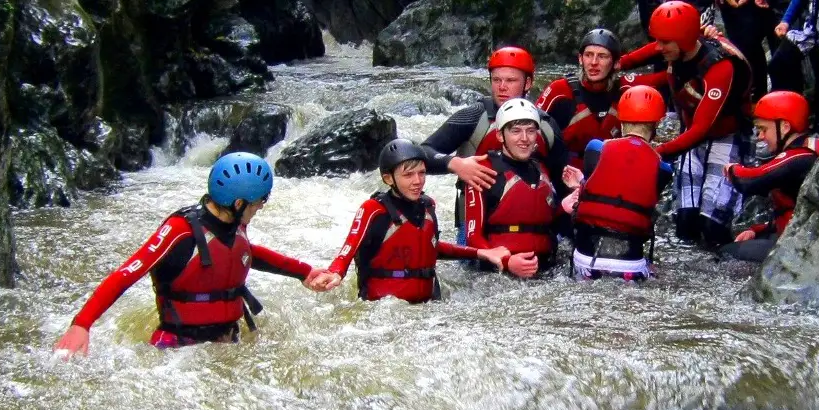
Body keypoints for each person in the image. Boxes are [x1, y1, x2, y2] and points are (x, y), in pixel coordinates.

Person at [53, 153, 334, 356]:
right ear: (238, 203)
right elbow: (127, 274)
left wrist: (304, 272)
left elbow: (247, 254)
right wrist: (81, 324)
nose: (261, 206)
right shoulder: (179, 231)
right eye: (259, 202)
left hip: (228, 342)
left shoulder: (236, 225)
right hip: (177, 352)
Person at [618, 1, 755, 248]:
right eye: (657, 40)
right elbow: (654, 52)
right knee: (685, 223)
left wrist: (657, 152)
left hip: (726, 136)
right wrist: (621, 63)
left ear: (683, 40)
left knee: (712, 227)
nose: (659, 48)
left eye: (664, 42)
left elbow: (701, 129)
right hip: (690, 135)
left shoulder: (720, 67)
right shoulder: (682, 46)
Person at [314, 140, 510, 302]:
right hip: (383, 313)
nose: (417, 181)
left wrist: (482, 253)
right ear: (388, 178)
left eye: (422, 173)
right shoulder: (373, 210)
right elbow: (348, 249)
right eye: (408, 175)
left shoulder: (428, 206)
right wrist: (335, 272)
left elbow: (431, 248)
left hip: (428, 310)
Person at [419, 47, 570, 241]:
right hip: (476, 224)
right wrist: (455, 164)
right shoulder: (473, 117)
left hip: (533, 224)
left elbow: (561, 181)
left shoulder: (546, 125)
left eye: (511, 80)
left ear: (528, 83)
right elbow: (421, 153)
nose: (502, 87)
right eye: (496, 80)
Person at [558, 86, 671, 281]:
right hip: (629, 264)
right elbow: (633, 194)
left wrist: (581, 183)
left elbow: (603, 190)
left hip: (586, 259)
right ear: (657, 124)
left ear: (620, 118)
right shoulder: (664, 168)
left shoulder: (596, 148)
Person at [720, 91, 819, 262]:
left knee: (725, 253)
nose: (760, 137)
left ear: (785, 126)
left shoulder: (800, 157)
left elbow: (750, 181)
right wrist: (757, 230)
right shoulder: (805, 149)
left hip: (800, 248)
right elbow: (792, 212)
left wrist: (732, 169)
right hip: (796, 238)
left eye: (763, 129)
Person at [461, 99, 560, 278]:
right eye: (515, 131)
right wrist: (506, 262)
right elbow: (472, 236)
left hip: (546, 270)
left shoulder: (541, 168)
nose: (524, 138)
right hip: (498, 275)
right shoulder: (483, 170)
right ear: (500, 136)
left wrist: (566, 207)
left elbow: (547, 221)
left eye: (530, 131)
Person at [537, 29, 633, 170]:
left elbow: (663, 74)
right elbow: (528, 127)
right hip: (565, 173)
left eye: (602, 56)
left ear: (616, 63)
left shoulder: (625, 90)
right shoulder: (559, 90)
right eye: (588, 55)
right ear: (580, 59)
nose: (594, 62)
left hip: (609, 171)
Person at [718, 0, 785, 100]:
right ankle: (759, 99)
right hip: (735, 9)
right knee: (745, 49)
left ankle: (785, 98)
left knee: (781, 46)